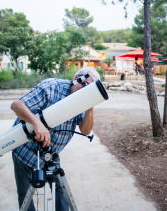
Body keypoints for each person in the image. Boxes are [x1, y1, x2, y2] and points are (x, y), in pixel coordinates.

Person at [11, 67, 101, 210]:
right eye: (85, 85)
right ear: (76, 78)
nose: (86, 91)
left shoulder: (82, 102)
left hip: (50, 154)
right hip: (24, 149)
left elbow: (86, 130)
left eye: (90, 90)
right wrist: (36, 123)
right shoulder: (51, 87)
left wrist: (90, 108)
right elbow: (16, 105)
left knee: (60, 192)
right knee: (25, 193)